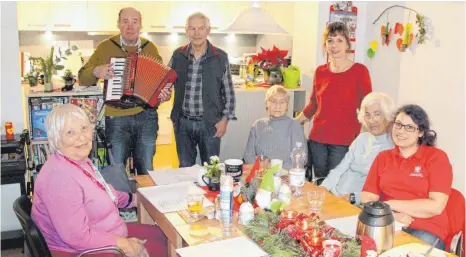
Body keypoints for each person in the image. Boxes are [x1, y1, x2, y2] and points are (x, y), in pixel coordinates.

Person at [31, 104, 167, 257]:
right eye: (70, 132)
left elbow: (106, 192)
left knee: (163, 235)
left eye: (84, 128)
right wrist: (123, 244)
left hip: (105, 235)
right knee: (166, 246)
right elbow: (77, 237)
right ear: (56, 138)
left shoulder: (78, 160)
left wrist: (138, 199)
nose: (81, 137)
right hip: (80, 251)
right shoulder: (60, 177)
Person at [78, 7, 172, 175]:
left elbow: (161, 84)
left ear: (141, 25)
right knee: (117, 168)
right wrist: (96, 71)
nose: (130, 26)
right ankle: (120, 201)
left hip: (146, 117)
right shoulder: (105, 47)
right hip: (117, 117)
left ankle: (143, 201)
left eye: (135, 22)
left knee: (146, 169)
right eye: (125, 21)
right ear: (118, 24)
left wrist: (164, 94)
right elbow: (83, 78)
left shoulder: (150, 48)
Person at [361, 104, 452, 250]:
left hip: (426, 229)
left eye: (409, 127)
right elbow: (367, 198)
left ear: (421, 132)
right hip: (387, 223)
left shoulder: (436, 158)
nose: (401, 131)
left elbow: (436, 206)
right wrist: (392, 215)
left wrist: (391, 205)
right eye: (398, 124)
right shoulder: (383, 157)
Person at [295, 22, 372, 182]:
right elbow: (313, 105)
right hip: (317, 139)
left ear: (347, 45)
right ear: (325, 45)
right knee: (321, 183)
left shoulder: (360, 71)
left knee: (337, 185)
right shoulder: (320, 72)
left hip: (344, 141)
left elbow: (367, 106)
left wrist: (374, 134)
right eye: (330, 40)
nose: (334, 45)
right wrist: (292, 123)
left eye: (339, 40)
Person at [169, 12, 236, 167]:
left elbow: (229, 93)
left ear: (208, 30)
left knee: (211, 170)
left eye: (201, 28)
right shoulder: (177, 55)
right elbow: (167, 82)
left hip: (210, 124)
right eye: (192, 28)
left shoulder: (221, 57)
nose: (196, 33)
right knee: (185, 169)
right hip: (183, 124)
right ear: (186, 30)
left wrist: (225, 120)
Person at [319, 92, 395, 205]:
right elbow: (340, 168)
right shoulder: (362, 138)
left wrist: (350, 198)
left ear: (388, 116)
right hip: (335, 195)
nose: (371, 120)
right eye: (368, 114)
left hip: (357, 204)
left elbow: (380, 190)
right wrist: (323, 188)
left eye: (377, 114)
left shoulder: (393, 147)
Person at [243, 85, 307, 169]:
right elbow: (248, 156)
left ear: (287, 105)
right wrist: (263, 167)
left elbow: (301, 160)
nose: (277, 106)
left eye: (282, 102)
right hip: (260, 174)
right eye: (273, 101)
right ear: (266, 104)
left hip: (286, 176)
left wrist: (271, 167)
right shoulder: (257, 125)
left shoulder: (294, 126)